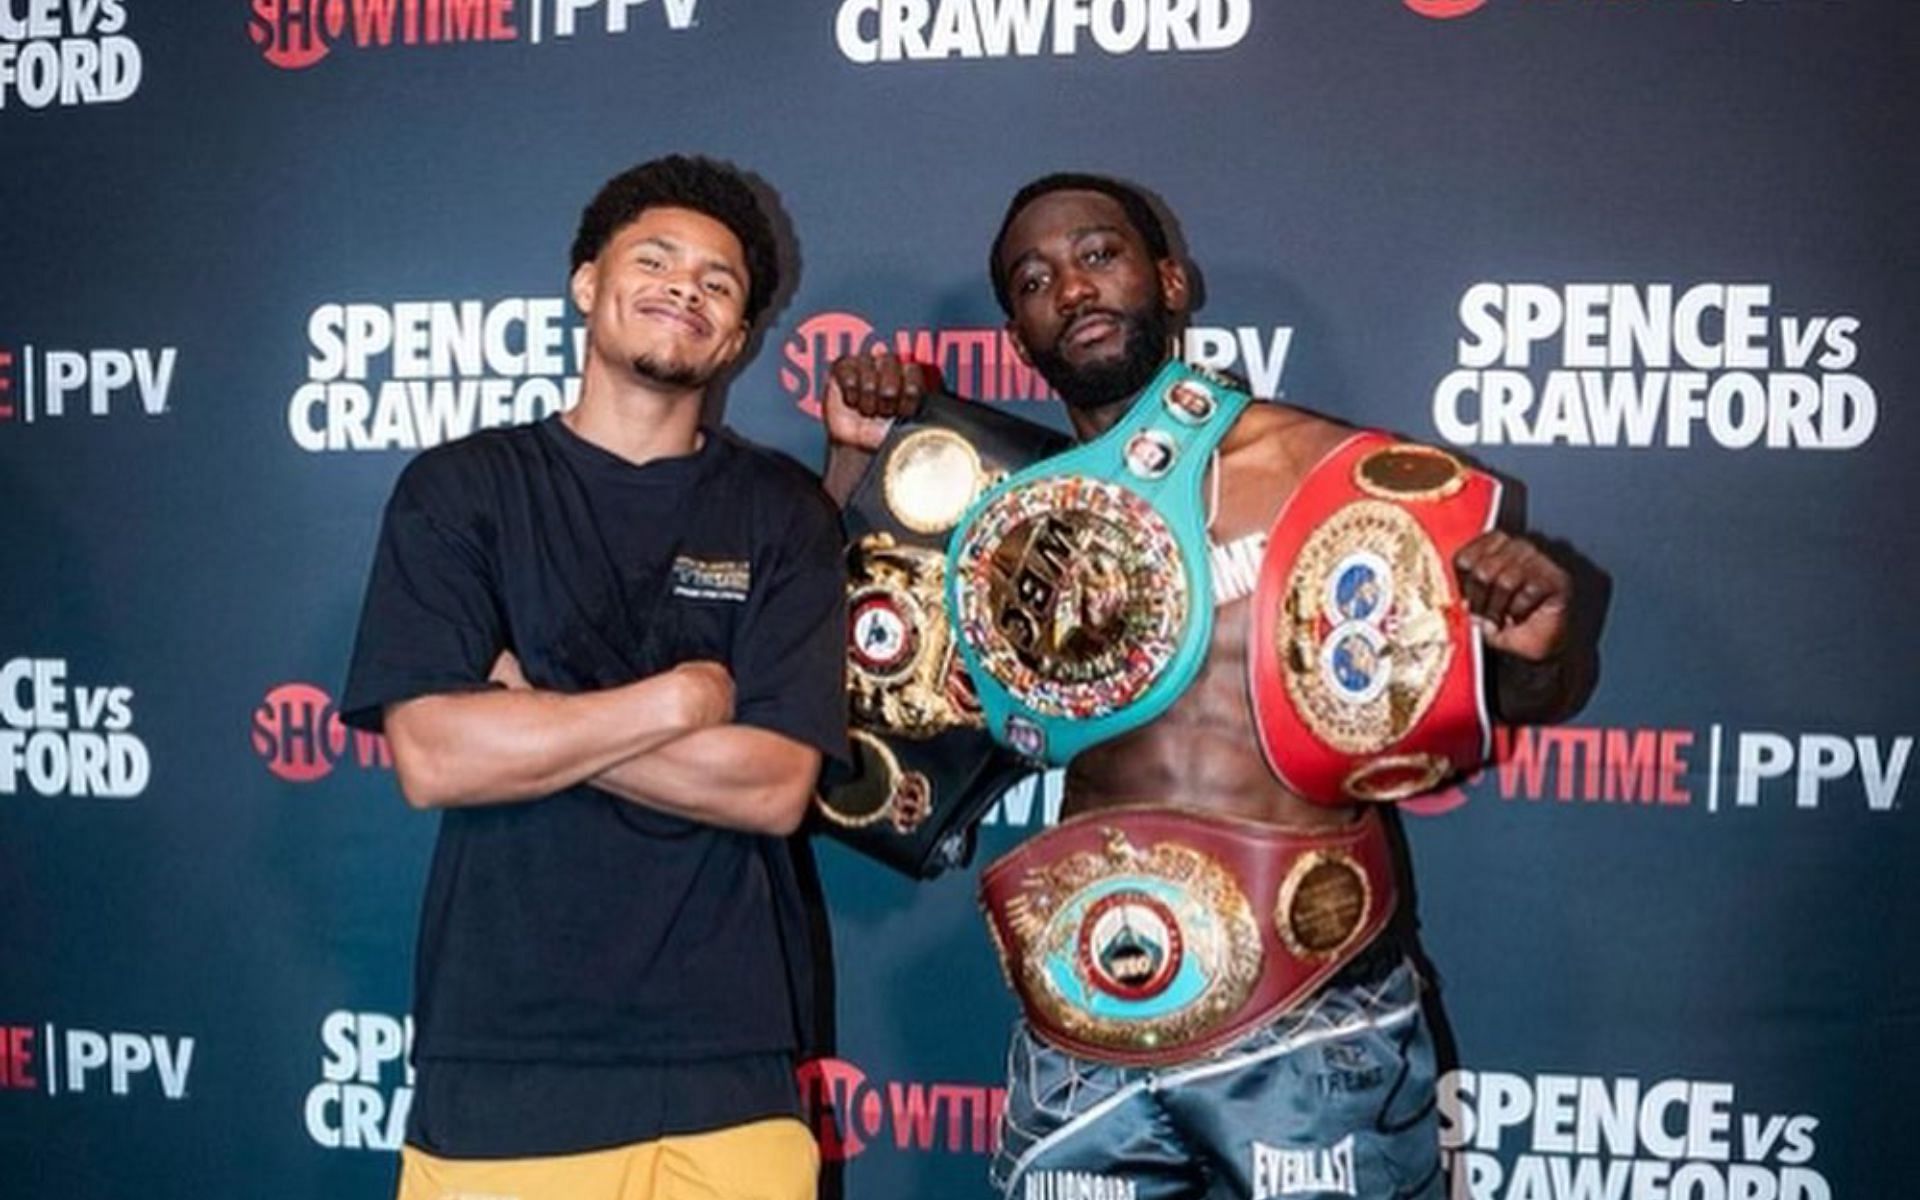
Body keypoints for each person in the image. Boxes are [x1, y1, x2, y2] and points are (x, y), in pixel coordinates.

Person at [821, 173, 1594, 1199]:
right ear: (1017, 335)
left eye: (1099, 255)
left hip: (1309, 1022)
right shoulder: (1008, 527)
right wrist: (853, 461)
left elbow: (1510, 697)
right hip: (1080, 1037)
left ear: (1174, 281)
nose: (1074, 288)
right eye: (1037, 278)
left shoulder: (1335, 475)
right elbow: (858, 687)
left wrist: (1534, 645)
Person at [341, 155, 846, 1200]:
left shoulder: (783, 511)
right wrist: (671, 703)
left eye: (718, 282)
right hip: (505, 1064)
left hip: (731, 1070)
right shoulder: (462, 490)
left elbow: (770, 787)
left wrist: (533, 719)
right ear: (586, 282)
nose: (685, 289)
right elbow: (435, 757)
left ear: (740, 334)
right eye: (654, 259)